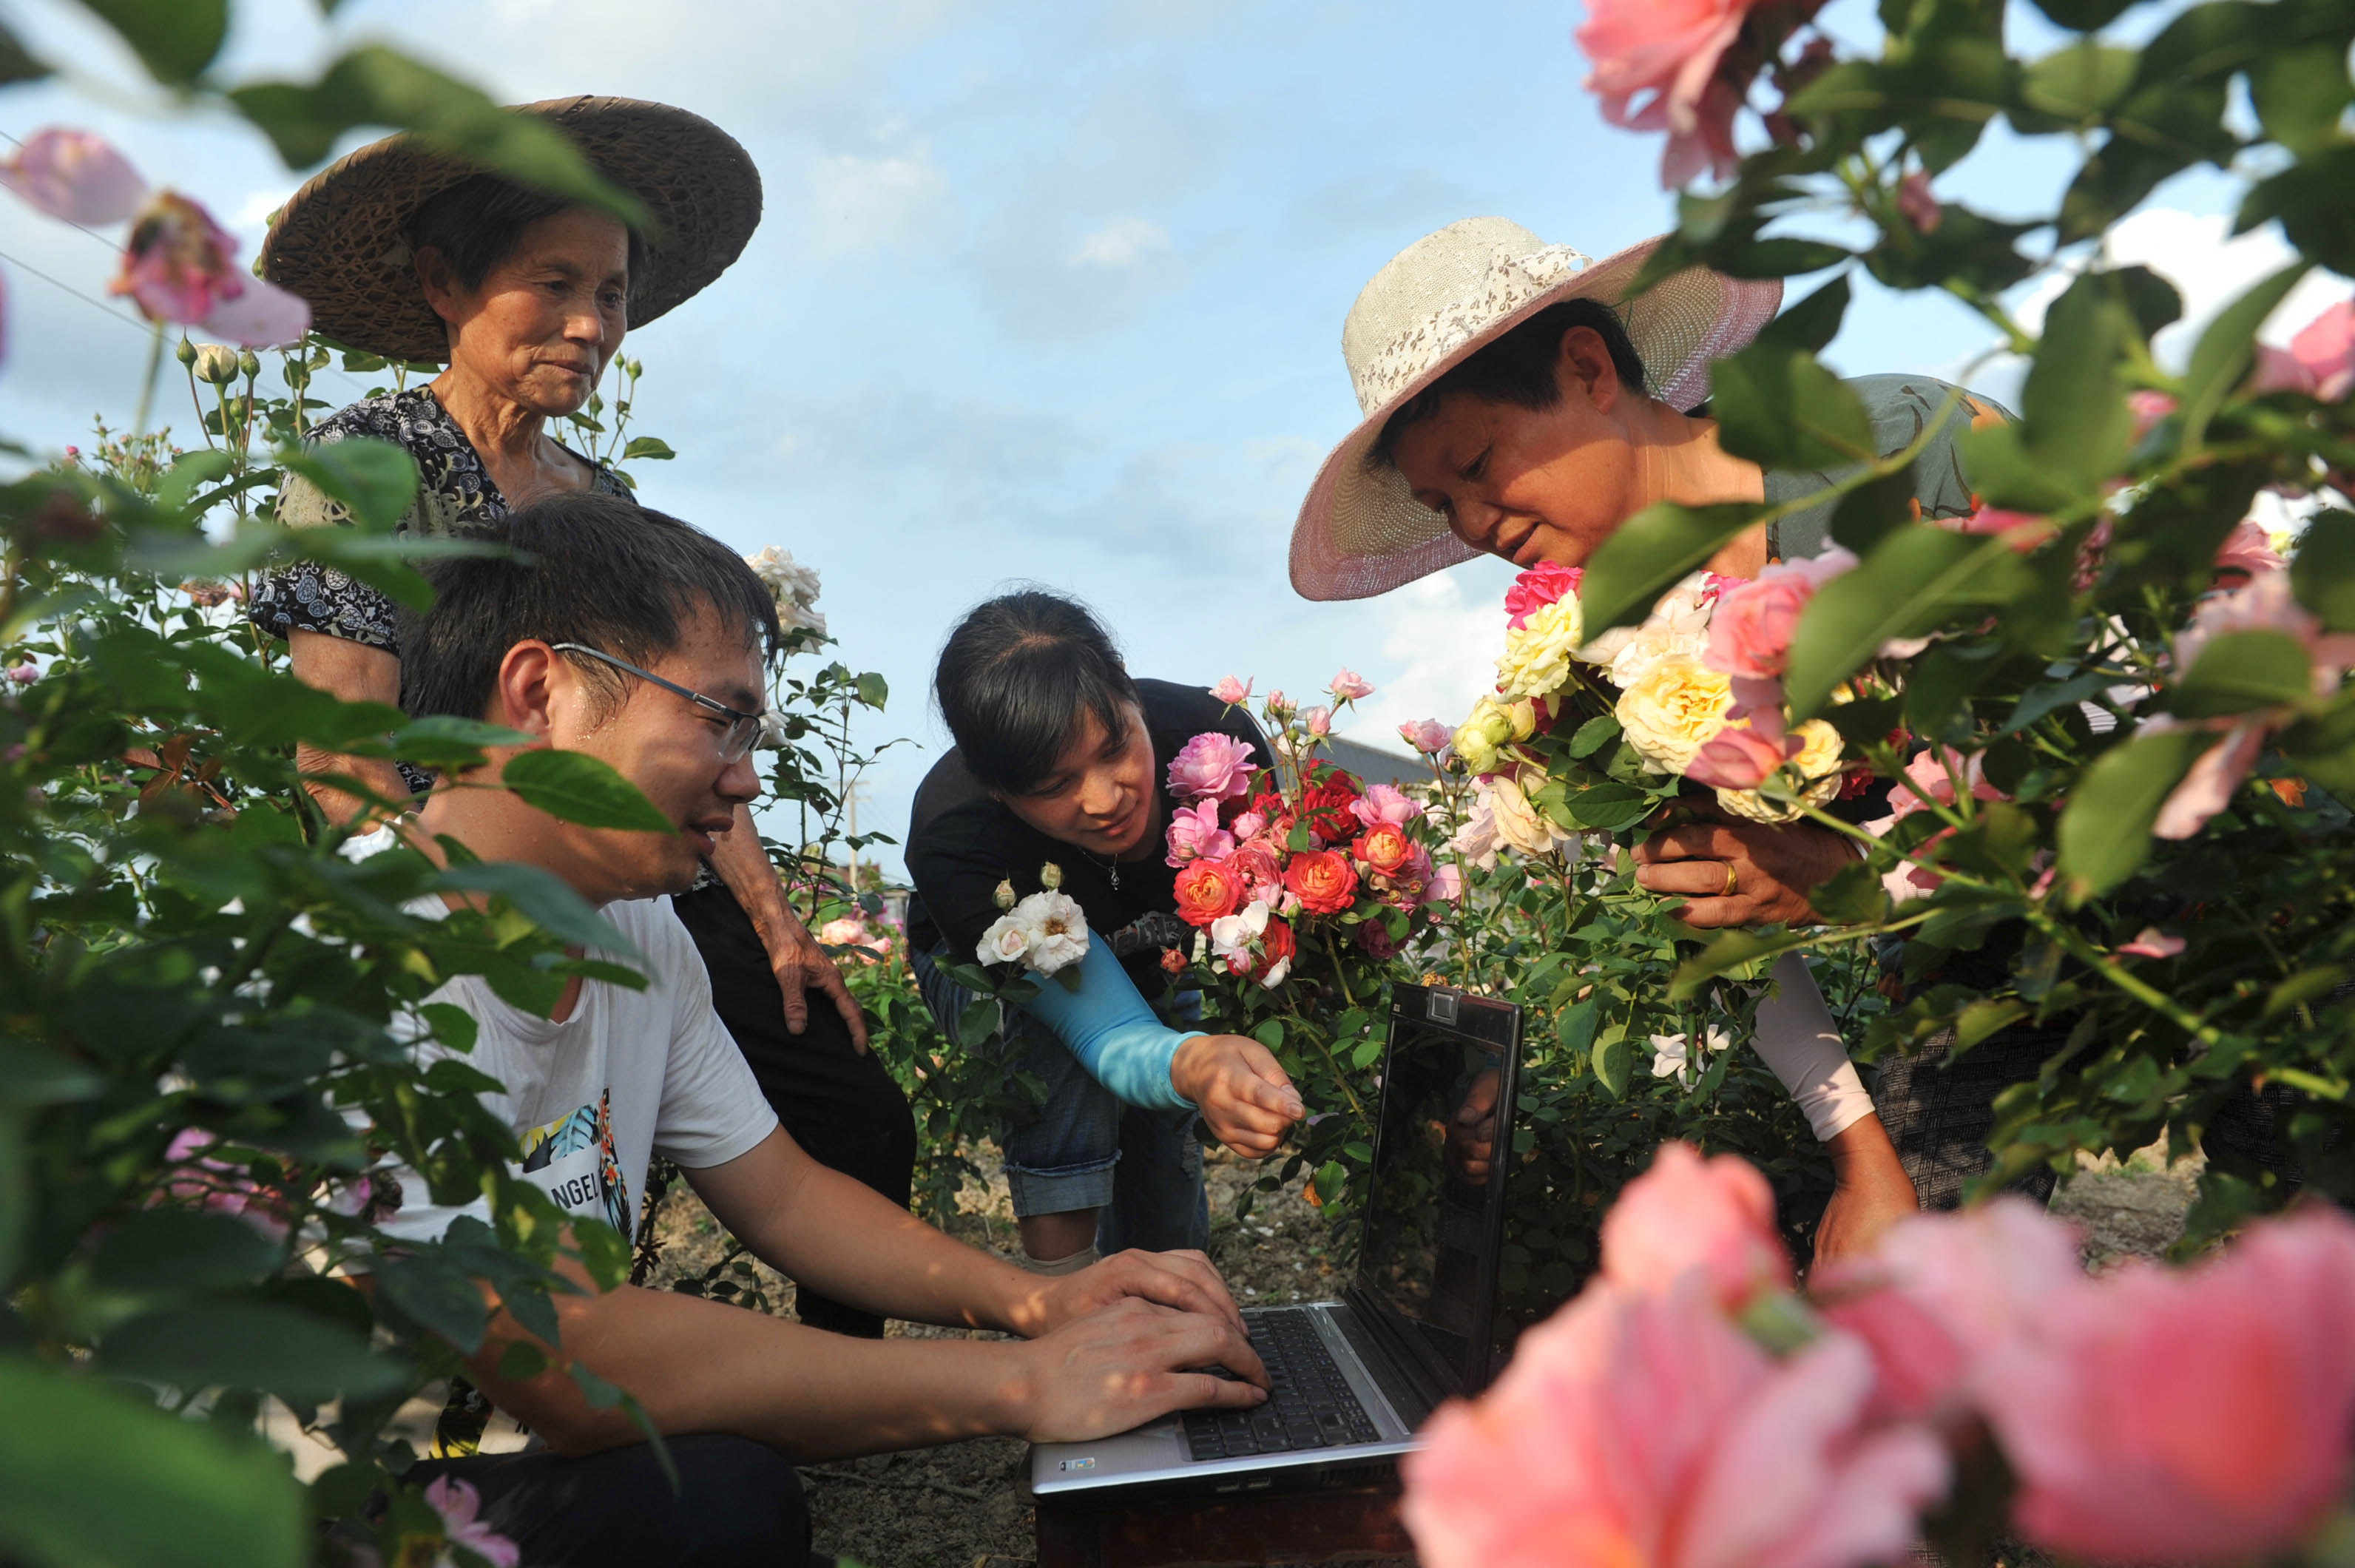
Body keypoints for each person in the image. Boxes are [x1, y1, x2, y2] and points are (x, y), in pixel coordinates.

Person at [360, 493, 1267, 1564]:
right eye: (718, 721)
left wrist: (1044, 1299)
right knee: (718, 1501)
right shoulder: (359, 962)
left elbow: (786, 1195)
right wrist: (1026, 1382)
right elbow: (566, 1353)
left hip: (488, 1472)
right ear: (538, 693)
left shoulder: (639, 938)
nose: (742, 780)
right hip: (296, 1498)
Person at [249, 98, 915, 1338]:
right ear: (444, 282)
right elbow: (342, 755)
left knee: (854, 1111)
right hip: (461, 883)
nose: (588, 325)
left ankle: (828, 1392)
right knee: (518, 1167)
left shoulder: (595, 497)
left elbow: (694, 729)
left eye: (609, 295)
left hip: (640, 867)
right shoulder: (366, 464)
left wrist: (775, 925)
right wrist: (448, 934)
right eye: (552, 284)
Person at [1288, 217, 2038, 1253]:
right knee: (1919, 1302)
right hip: (1968, 974)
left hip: (2189, 882)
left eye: (1476, 465)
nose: (1469, 524)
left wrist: (1854, 878)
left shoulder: (1897, 452)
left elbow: (2119, 726)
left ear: (1589, 368)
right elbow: (1719, 895)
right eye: (1438, 503)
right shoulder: (1594, 667)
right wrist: (1866, 1166)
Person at [905, 592, 1307, 1272]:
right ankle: (1064, 1292)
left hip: (1156, 947)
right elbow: (1103, 1029)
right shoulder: (960, 840)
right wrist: (1191, 1059)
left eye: (1115, 746)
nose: (1105, 798)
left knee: (1162, 1154)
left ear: (1126, 687)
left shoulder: (1214, 744)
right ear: (998, 789)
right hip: (989, 964)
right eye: (1056, 784)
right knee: (1055, 1048)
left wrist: (1211, 1065)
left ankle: (1167, 1293)